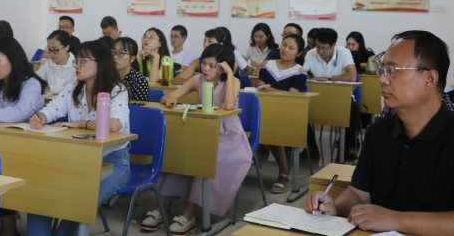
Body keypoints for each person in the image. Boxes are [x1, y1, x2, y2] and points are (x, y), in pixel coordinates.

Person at [304, 30, 454, 236]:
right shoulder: (378, 131)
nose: (382, 79)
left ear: (430, 79)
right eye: (383, 70)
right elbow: (359, 194)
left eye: (393, 70)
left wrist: (397, 220)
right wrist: (334, 207)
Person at [141, 44, 250, 234]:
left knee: (204, 160)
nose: (205, 69)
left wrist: (230, 74)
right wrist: (169, 100)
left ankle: (189, 213)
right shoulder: (197, 80)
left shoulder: (233, 82)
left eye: (212, 65)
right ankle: (162, 206)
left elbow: (228, 106)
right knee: (182, 155)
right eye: (204, 63)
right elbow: (168, 97)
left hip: (229, 138)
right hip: (203, 132)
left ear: (223, 67)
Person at [27, 39, 130, 235]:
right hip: (78, 159)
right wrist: (41, 117)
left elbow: (113, 125)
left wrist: (82, 124)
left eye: (83, 61)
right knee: (41, 194)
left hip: (113, 161)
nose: (77, 65)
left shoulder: (117, 90)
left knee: (79, 205)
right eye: (77, 60)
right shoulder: (75, 86)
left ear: (101, 63)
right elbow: (54, 108)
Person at [256, 33, 308, 193]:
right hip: (264, 108)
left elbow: (292, 95)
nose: (285, 49)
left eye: (291, 48)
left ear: (299, 53)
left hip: (289, 113)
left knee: (274, 130)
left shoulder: (300, 71)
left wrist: (269, 89)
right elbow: (259, 86)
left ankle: (284, 173)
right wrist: (270, 90)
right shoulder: (267, 64)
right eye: (284, 45)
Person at [304, 27, 361, 160]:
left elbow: (352, 75)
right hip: (317, 97)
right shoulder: (311, 54)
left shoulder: (343, 52)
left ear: (333, 45)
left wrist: (329, 79)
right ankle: (312, 148)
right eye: (318, 47)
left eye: (324, 48)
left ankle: (345, 150)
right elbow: (302, 73)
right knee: (299, 109)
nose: (320, 51)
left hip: (341, 98)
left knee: (354, 110)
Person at [113, 36, 149, 101]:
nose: (115, 56)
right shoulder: (107, 77)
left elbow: (139, 106)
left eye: (121, 53)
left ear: (132, 58)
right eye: (113, 52)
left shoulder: (139, 80)